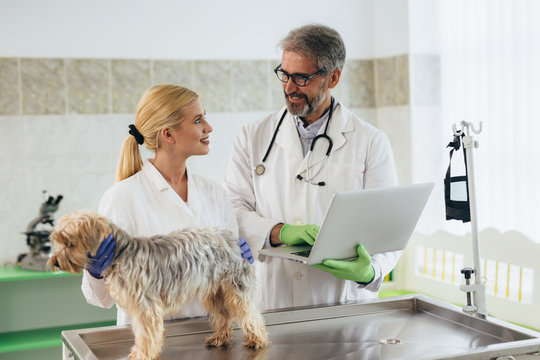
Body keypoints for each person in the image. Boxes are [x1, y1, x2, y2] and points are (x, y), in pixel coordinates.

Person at [224, 24, 400, 311]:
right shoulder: (252, 136)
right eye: (284, 74)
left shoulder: (370, 141)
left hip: (342, 302)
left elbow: (389, 227)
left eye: (301, 78)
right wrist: (279, 231)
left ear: (333, 78)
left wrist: (371, 272)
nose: (289, 87)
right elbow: (232, 210)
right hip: (273, 299)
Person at [81, 84, 253, 325]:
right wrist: (95, 271)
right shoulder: (121, 197)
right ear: (168, 134)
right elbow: (100, 299)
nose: (208, 127)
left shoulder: (215, 194)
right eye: (197, 120)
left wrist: (239, 265)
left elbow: (231, 289)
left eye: (205, 117)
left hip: (211, 337)